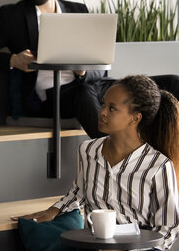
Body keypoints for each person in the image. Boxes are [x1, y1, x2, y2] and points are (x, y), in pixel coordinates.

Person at [0, 0, 179, 138]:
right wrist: (14, 60)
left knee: (171, 82)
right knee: (83, 93)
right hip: (50, 98)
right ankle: (110, 153)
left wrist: (82, 73)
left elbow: (100, 71)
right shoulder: (13, 15)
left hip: (91, 86)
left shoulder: (78, 10)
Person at [13, 75, 179, 250]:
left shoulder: (158, 165)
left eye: (112, 108)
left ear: (135, 118)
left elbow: (168, 228)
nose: (102, 112)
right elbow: (80, 191)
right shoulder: (88, 150)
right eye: (102, 104)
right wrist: (54, 210)